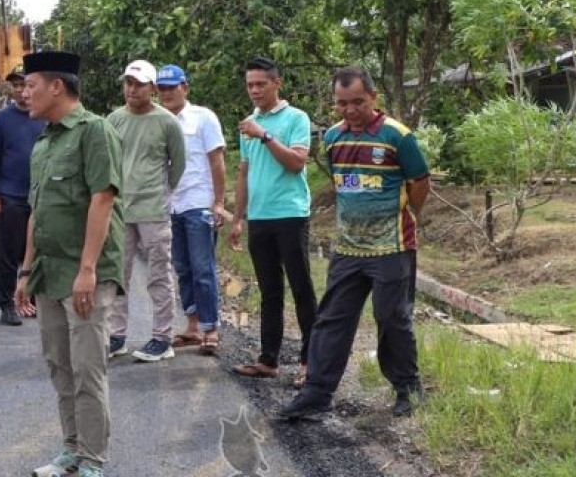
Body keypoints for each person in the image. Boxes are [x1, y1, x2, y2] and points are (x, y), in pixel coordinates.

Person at [280, 66, 430, 420]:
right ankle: (316, 395)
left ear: (374, 98)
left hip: (392, 246)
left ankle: (408, 389)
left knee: (392, 317)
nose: (349, 110)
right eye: (342, 103)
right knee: (331, 320)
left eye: (357, 102)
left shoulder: (398, 137)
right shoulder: (332, 137)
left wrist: (410, 216)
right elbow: (341, 180)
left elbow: (421, 182)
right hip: (347, 248)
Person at [14, 51, 124, 477]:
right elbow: (37, 211)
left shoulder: (94, 131)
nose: (25, 93)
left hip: (86, 274)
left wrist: (88, 270)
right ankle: (72, 449)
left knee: (87, 368)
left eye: (31, 85)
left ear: (56, 86)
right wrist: (26, 271)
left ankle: (94, 459)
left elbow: (103, 198)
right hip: (49, 271)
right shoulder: (44, 140)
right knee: (59, 365)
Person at [229, 57, 317, 387]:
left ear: (276, 83)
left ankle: (311, 361)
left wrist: (264, 134)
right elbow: (244, 172)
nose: (254, 90)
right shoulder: (248, 123)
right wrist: (237, 218)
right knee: (269, 291)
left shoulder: (296, 118)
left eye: (260, 84)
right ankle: (269, 360)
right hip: (260, 217)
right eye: (250, 84)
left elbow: (296, 162)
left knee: (302, 288)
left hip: (291, 214)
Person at [106, 59, 186, 362]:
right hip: (120, 208)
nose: (132, 89)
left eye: (138, 84)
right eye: (128, 83)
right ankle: (116, 336)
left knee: (159, 274)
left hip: (153, 209)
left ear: (152, 88)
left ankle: (162, 337)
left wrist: (163, 193)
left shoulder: (167, 121)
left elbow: (177, 164)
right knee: (117, 274)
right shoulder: (114, 119)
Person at [155, 64, 226, 355]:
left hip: (198, 204)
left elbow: (217, 161)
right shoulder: (157, 120)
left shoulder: (203, 117)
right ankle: (193, 326)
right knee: (182, 268)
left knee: (203, 268)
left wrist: (219, 202)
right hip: (171, 205)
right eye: (162, 89)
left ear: (185, 87)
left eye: (172, 87)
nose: (167, 93)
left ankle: (211, 328)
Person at [0, 65, 45, 326]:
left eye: (26, 85)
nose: (22, 92)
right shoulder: (1, 120)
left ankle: (37, 301)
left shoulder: (46, 117)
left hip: (42, 196)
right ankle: (7, 304)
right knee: (9, 253)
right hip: (12, 196)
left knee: (42, 252)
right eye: (16, 86)